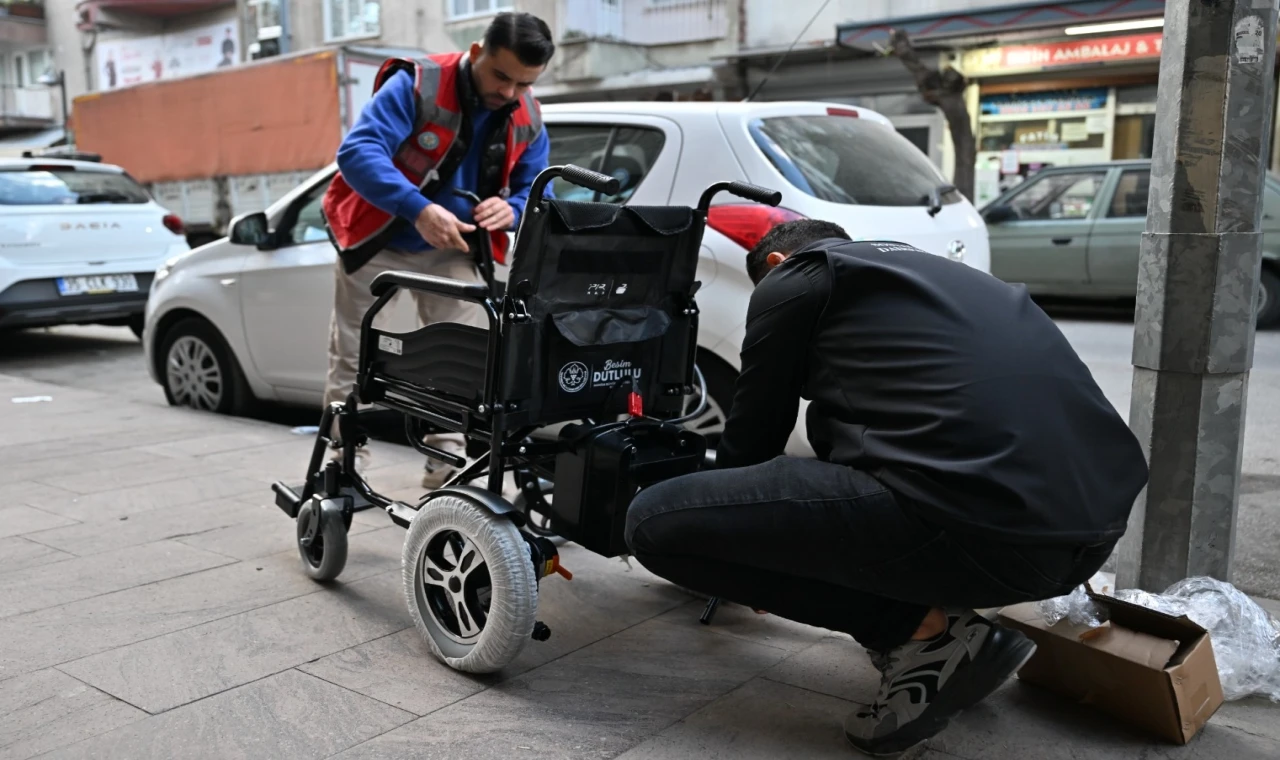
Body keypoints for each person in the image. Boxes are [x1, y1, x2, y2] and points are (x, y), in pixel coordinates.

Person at [624, 220, 1149, 756]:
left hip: (983, 530)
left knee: (652, 523)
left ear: (777, 265)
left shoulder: (800, 275)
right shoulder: (949, 278)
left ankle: (924, 635)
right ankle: (941, 617)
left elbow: (753, 438)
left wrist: (742, 547)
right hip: (1082, 539)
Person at [320, 12, 554, 488]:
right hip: (379, 238)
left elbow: (537, 187)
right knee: (355, 352)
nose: (509, 92)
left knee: (458, 356)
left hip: (456, 246)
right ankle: (344, 459)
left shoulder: (528, 114)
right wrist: (419, 209)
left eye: (524, 83)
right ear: (476, 52)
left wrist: (512, 208)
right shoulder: (418, 84)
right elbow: (358, 152)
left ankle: (445, 460)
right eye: (501, 75)